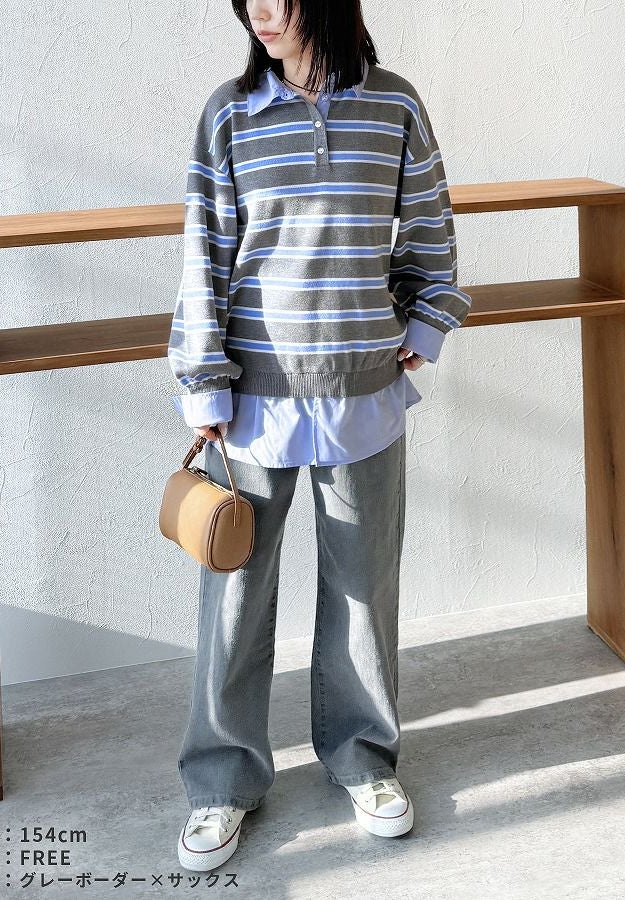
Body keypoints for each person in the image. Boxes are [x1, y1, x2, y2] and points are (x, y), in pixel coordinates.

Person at [167, 0, 472, 872]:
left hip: (363, 396)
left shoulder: (395, 105)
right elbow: (204, 254)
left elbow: (430, 228)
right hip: (251, 404)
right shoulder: (230, 113)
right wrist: (204, 379)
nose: (261, 11)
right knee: (234, 598)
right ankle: (221, 780)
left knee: (364, 592)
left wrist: (426, 324)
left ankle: (364, 759)